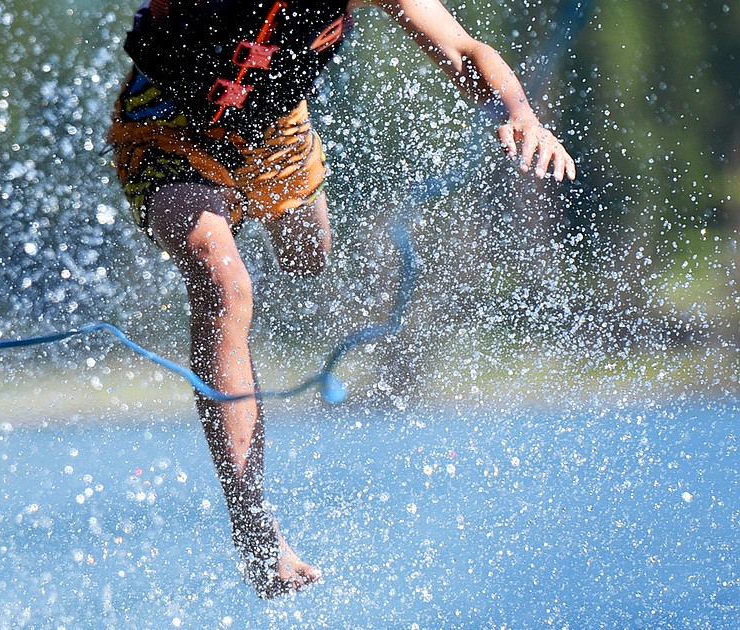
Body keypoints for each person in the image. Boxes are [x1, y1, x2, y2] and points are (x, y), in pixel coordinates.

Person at [107, 0, 577, 598]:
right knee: (225, 285)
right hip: (166, 128)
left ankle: (235, 206)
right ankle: (254, 529)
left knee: (308, 258)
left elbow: (463, 50)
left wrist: (521, 114)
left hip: (275, 135)